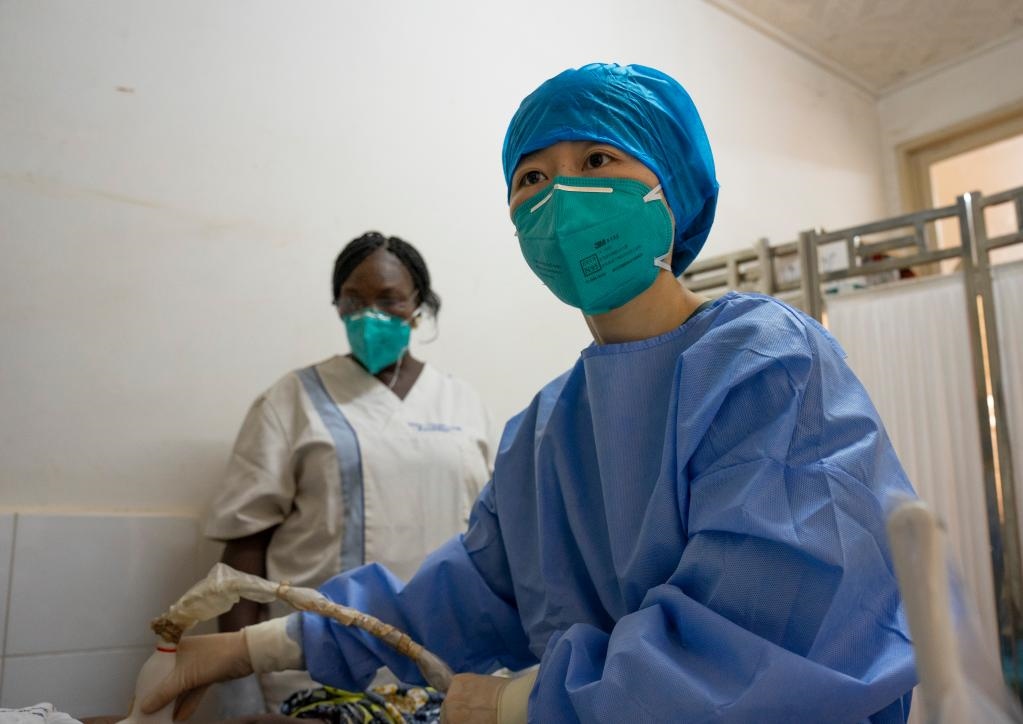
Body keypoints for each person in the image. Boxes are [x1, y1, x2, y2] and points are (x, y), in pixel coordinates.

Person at [144, 64, 917, 723]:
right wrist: (244, 648)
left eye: (598, 159)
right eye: (532, 179)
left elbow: (768, 631)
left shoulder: (763, 362)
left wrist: (514, 702)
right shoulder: (548, 425)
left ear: (670, 186)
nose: (561, 198)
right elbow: (464, 597)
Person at [205, 231, 497, 713]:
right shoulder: (292, 399)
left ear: (418, 305)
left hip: (447, 668)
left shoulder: (462, 403)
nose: (370, 315)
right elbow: (246, 545)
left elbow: (494, 539)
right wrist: (237, 688)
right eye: (354, 301)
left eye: (389, 299)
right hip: (314, 671)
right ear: (337, 305)